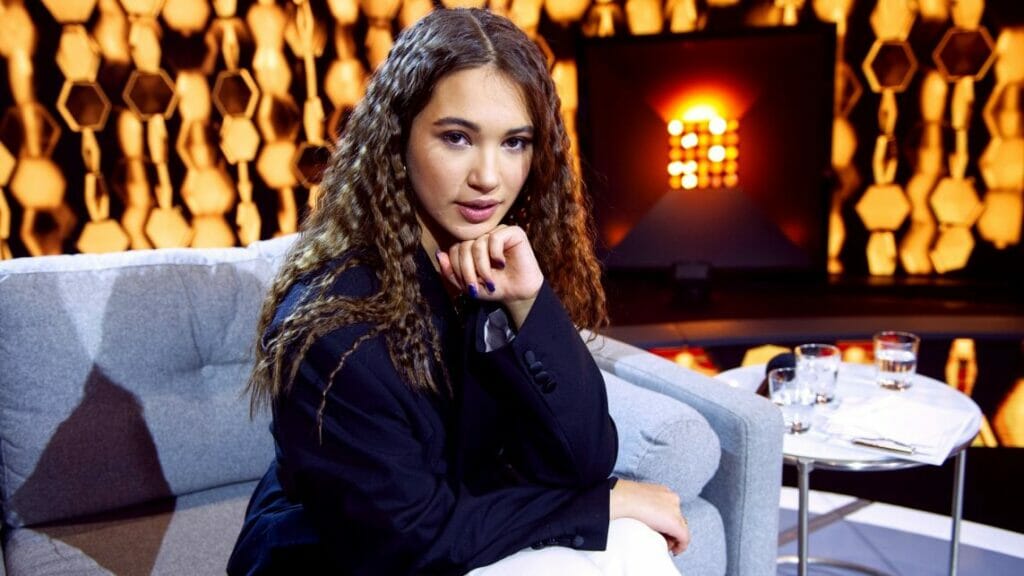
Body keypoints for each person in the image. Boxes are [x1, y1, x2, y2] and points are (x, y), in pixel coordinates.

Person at [227, 7, 689, 575]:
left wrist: (529, 303)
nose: (489, 177)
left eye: (515, 143)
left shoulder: (487, 262)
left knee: (630, 549)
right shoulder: (334, 325)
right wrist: (603, 506)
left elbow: (586, 456)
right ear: (398, 138)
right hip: (343, 561)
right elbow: (409, 537)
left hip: (447, 537)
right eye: (457, 138)